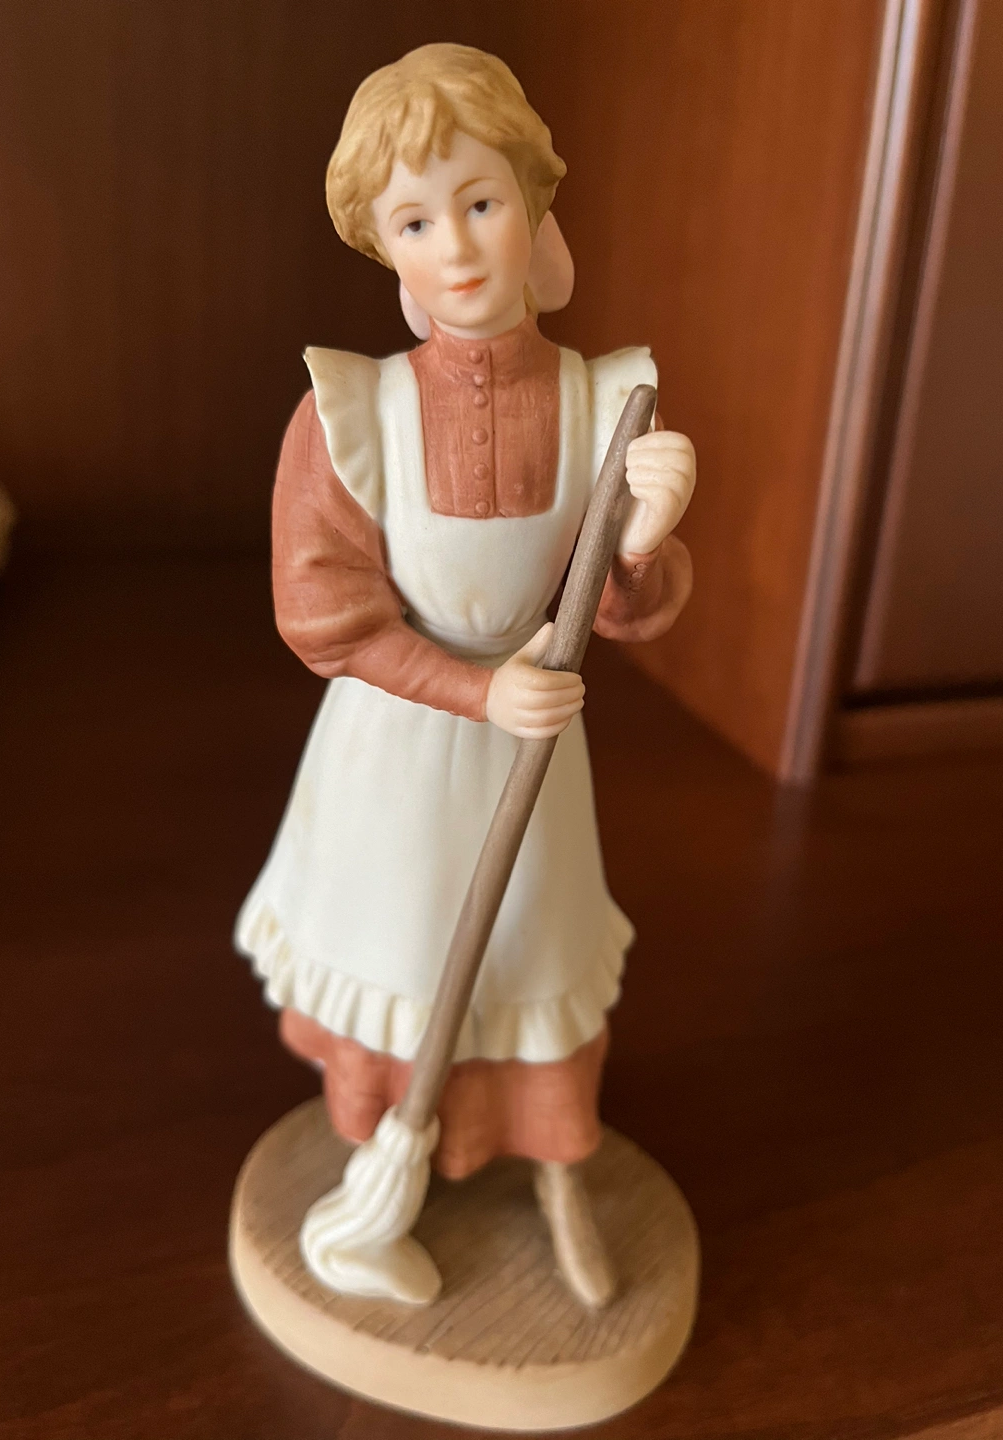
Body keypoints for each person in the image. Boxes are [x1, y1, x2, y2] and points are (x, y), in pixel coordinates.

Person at [235, 42, 695, 1308]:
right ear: (386, 249)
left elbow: (624, 606)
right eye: (416, 221)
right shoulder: (350, 415)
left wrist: (642, 539)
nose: (458, 247)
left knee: (535, 949)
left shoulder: (609, 402)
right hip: (398, 745)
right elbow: (324, 618)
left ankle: (558, 1168)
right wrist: (476, 690)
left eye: (481, 200)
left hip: (537, 743)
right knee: (400, 942)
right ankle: (383, 1156)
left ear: (535, 203)